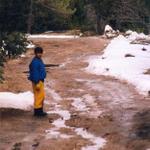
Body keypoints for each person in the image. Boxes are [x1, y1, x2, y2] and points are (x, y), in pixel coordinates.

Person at [29, 46, 47, 117]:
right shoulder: (35, 62)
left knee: (41, 96)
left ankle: (40, 111)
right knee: (39, 96)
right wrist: (36, 82)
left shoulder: (39, 60)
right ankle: (37, 112)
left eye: (41, 53)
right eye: (38, 53)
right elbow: (35, 73)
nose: (40, 54)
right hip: (37, 81)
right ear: (35, 53)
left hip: (40, 81)